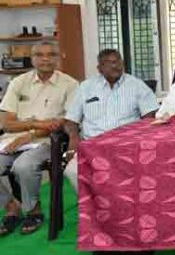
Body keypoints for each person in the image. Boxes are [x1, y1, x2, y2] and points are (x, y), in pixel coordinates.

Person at [0, 42, 78, 235]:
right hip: (12, 139)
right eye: (40, 55)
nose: (45, 58)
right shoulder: (19, 82)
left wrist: (32, 134)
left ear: (58, 57)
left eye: (51, 54)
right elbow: (7, 123)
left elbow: (65, 122)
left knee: (23, 166)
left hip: (47, 141)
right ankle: (11, 207)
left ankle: (33, 211)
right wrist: (40, 124)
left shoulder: (70, 84)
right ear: (32, 58)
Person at [63, 49, 159, 191]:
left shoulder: (137, 86)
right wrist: (73, 139)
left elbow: (149, 118)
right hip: (92, 146)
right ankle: (95, 206)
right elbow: (71, 120)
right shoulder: (86, 87)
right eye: (109, 63)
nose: (115, 66)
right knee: (72, 170)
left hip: (127, 146)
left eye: (118, 61)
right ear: (99, 68)